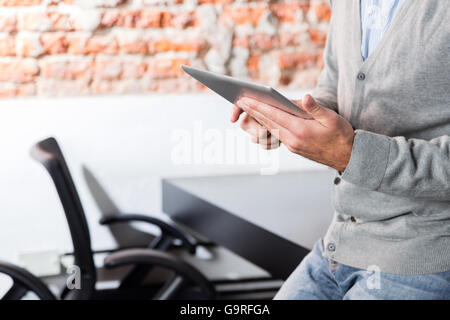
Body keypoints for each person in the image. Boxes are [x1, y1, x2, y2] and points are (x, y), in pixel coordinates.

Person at [230, 0, 450, 299]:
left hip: (423, 255)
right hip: (339, 243)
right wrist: (288, 118)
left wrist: (352, 155)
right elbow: (334, 85)